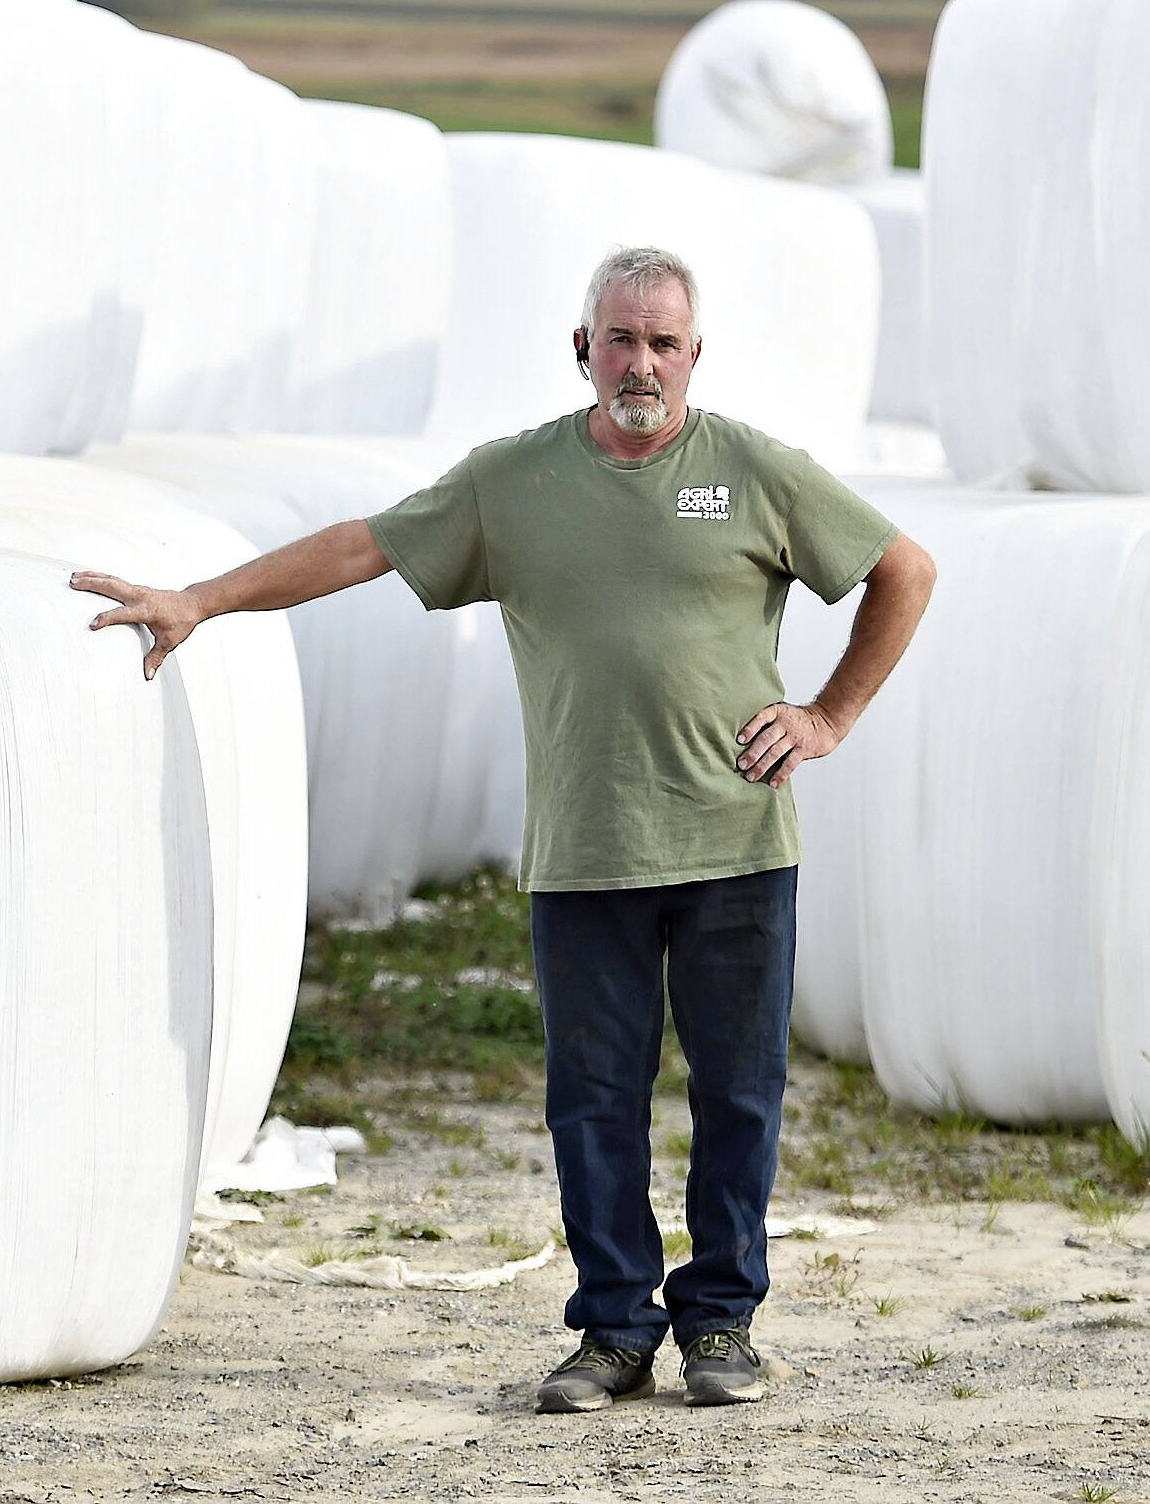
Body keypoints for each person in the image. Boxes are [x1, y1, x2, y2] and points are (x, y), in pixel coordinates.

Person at [70, 244, 936, 1413]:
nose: (642, 362)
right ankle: (616, 1333)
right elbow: (362, 548)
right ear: (583, 349)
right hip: (583, 850)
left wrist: (828, 716)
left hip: (735, 844)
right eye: (619, 338)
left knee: (740, 1093)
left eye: (663, 343)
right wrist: (202, 600)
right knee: (593, 1101)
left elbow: (905, 570)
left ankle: (722, 1327)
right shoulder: (512, 484)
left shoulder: (752, 473)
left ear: (695, 356)